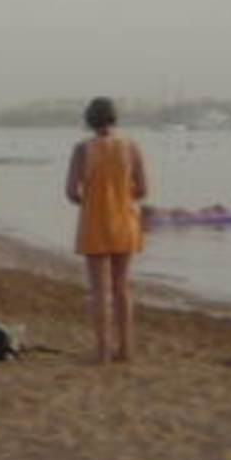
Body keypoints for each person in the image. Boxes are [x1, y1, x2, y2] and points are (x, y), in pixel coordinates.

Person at [64, 96, 148, 364]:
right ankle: (126, 348)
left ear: (90, 120)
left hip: (95, 221)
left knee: (100, 290)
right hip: (125, 220)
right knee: (122, 287)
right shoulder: (131, 147)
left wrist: (88, 200)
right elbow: (143, 189)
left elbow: (71, 191)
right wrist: (122, 196)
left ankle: (102, 351)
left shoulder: (82, 150)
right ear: (114, 118)